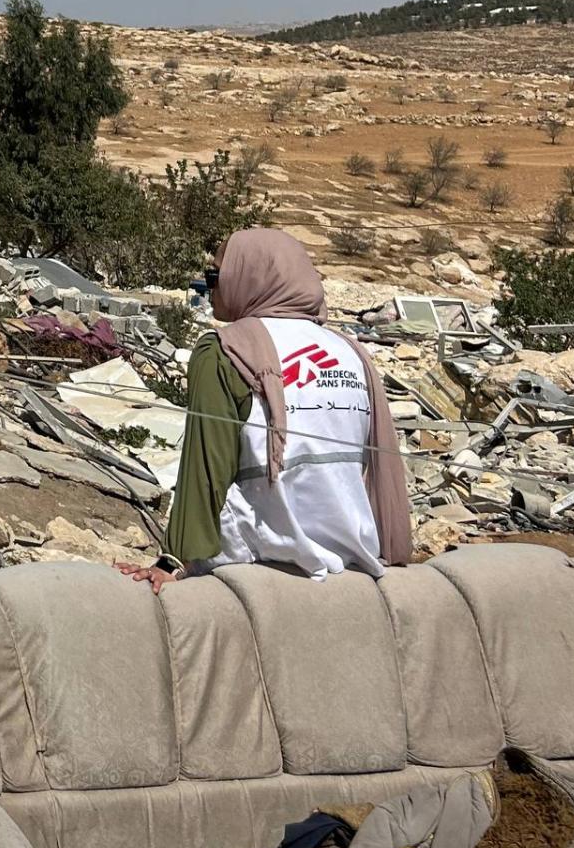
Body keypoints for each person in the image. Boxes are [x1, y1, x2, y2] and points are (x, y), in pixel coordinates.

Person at [131, 227, 411, 587]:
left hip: (256, 559)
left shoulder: (225, 350)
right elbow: (381, 468)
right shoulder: (352, 353)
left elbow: (206, 469)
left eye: (215, 275)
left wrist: (173, 560)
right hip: (350, 560)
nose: (209, 286)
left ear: (250, 276)